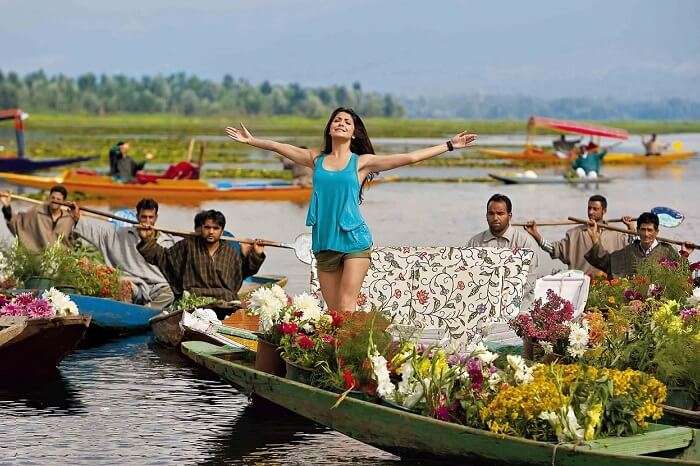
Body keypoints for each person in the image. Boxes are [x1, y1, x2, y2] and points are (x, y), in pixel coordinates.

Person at [226, 107, 476, 312]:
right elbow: (280, 147)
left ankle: (351, 366)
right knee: (334, 312)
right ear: (330, 128)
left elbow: (410, 158)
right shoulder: (316, 160)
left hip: (354, 240)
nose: (342, 123)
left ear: (355, 132)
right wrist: (252, 141)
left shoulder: (362, 162)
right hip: (324, 242)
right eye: (337, 120)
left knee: (347, 305)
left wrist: (450, 145)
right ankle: (342, 362)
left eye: (347, 121)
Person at [137, 209, 265, 301]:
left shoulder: (230, 252)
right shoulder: (188, 246)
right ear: (201, 228)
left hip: (225, 302)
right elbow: (162, 257)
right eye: (207, 227)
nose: (211, 232)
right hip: (194, 301)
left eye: (215, 228)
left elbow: (245, 271)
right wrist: (146, 239)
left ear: (222, 231)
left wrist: (256, 253)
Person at [70, 198, 176, 309]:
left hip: (157, 287)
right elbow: (100, 233)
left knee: (170, 293)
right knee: (122, 285)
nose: (147, 222)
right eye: (144, 217)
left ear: (156, 218)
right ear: (137, 217)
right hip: (134, 284)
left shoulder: (166, 240)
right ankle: (126, 313)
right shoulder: (124, 234)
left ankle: (147, 310)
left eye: (151, 217)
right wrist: (78, 219)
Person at [524, 195, 635, 274]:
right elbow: (554, 249)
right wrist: (535, 234)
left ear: (604, 211)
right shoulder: (575, 234)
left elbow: (634, 247)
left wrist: (630, 227)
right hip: (580, 284)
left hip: (608, 286)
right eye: (589, 208)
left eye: (595, 209)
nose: (591, 212)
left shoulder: (615, 234)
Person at [584, 211, 694, 278]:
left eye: (650, 230)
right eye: (643, 229)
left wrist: (685, 254)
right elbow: (605, 261)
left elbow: (682, 275)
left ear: (657, 232)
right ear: (637, 230)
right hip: (630, 305)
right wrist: (594, 236)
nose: (646, 234)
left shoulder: (667, 251)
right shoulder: (628, 251)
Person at [467, 193, 540, 292]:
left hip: (518, 303)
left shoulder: (525, 243)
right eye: (491, 213)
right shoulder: (474, 243)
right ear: (486, 216)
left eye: (500, 213)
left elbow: (530, 280)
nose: (495, 218)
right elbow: (468, 276)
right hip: (483, 301)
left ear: (509, 216)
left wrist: (502, 295)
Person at [0, 185, 75, 252]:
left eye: (58, 199)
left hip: (60, 260)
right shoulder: (37, 212)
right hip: (39, 259)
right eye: (53, 198)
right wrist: (6, 206)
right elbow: (17, 222)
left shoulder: (68, 219)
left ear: (63, 202)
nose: (55, 201)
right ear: (49, 198)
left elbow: (70, 239)